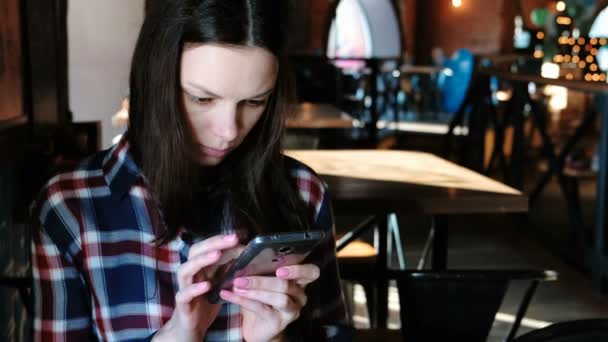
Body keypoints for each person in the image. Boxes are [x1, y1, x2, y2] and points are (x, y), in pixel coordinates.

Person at [31, 1, 351, 341]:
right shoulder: (70, 207)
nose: (229, 130)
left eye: (254, 102)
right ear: (156, 81)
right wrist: (176, 336)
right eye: (202, 99)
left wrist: (272, 339)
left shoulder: (303, 193)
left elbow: (334, 331)